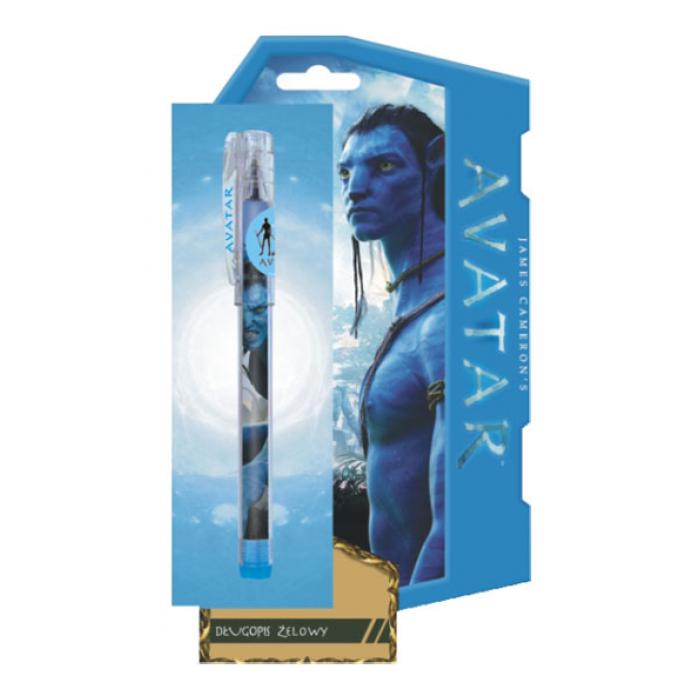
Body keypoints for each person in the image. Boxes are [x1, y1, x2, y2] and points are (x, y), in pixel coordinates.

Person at [337, 104, 445, 585]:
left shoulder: (446, 322)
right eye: (345, 172)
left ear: (435, 161)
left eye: (383, 165)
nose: (355, 188)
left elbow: (459, 525)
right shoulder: (416, 315)